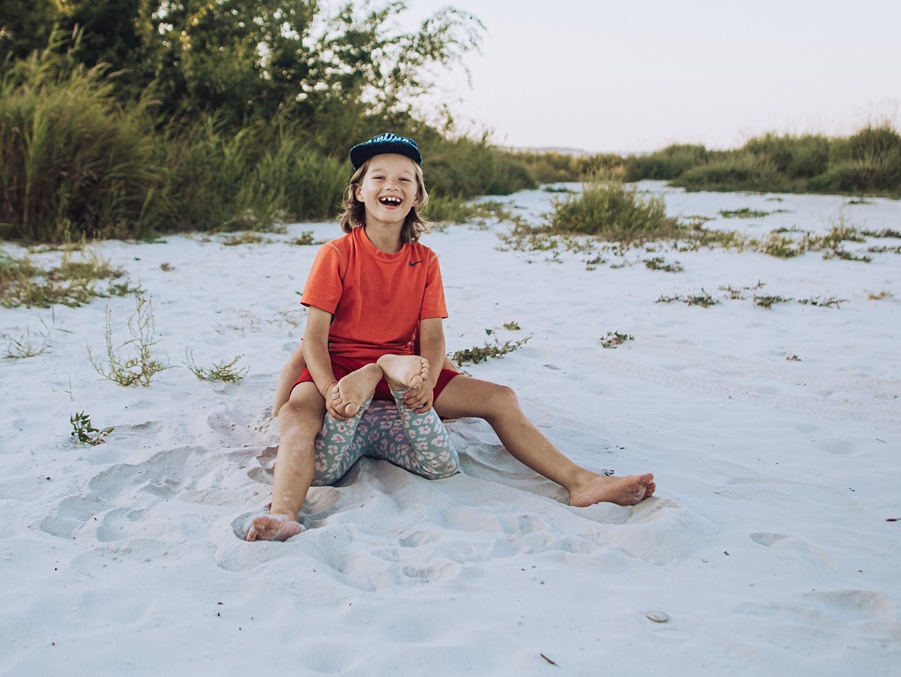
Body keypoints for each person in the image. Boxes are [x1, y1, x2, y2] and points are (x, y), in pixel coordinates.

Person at [247, 133, 654, 543]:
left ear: (418, 196)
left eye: (405, 180)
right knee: (298, 419)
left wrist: (427, 380)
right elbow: (313, 339)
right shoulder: (336, 254)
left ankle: (581, 482)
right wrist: (328, 388)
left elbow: (432, 336)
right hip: (339, 370)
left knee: (500, 397)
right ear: (359, 190)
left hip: (402, 370)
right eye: (380, 178)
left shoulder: (425, 261)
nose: (392, 186)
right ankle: (283, 513)